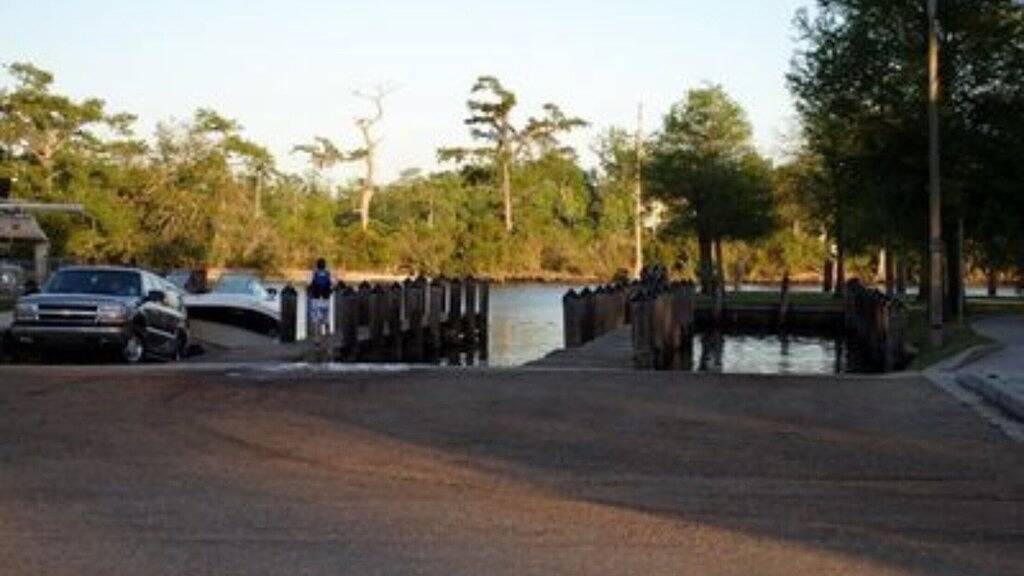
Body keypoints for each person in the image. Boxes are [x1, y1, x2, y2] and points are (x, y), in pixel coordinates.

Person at [308, 258, 332, 339]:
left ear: (317, 265)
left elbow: (309, 285)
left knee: (316, 319)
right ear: (325, 265)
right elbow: (332, 286)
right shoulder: (328, 274)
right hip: (325, 299)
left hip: (316, 299)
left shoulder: (314, 274)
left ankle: (317, 338)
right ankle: (327, 333)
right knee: (325, 317)